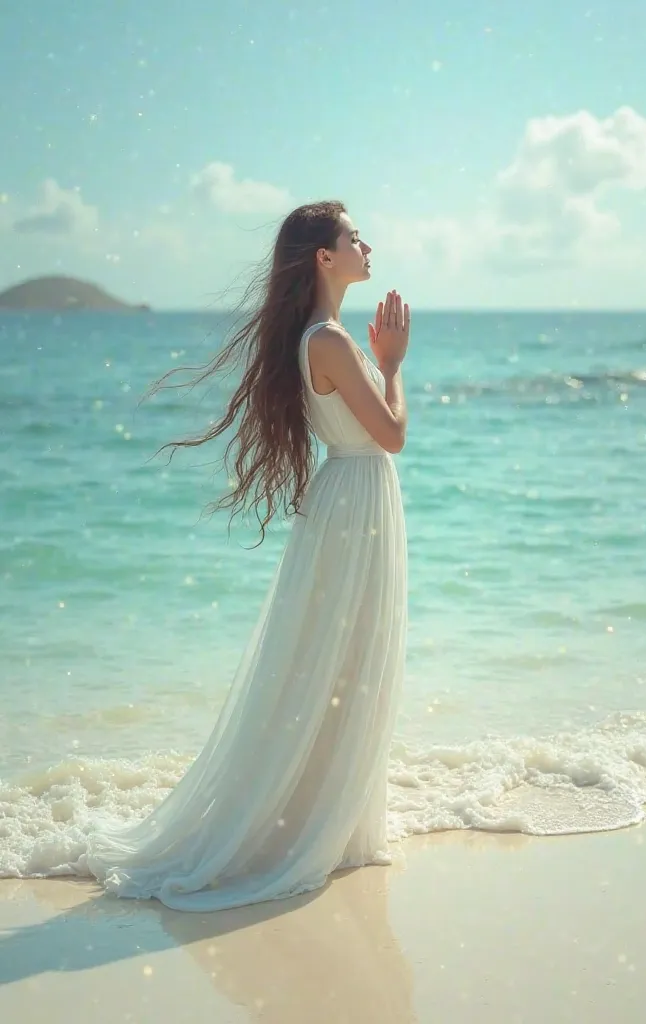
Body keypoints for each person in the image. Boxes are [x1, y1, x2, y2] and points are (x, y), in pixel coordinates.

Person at [73, 200, 411, 911]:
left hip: (348, 500)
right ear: (324, 256)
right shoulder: (331, 342)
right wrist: (393, 366)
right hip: (355, 499)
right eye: (354, 236)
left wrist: (374, 361)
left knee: (337, 660)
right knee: (340, 661)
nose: (366, 244)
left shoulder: (324, 337)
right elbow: (390, 435)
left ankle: (327, 819)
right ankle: (304, 827)